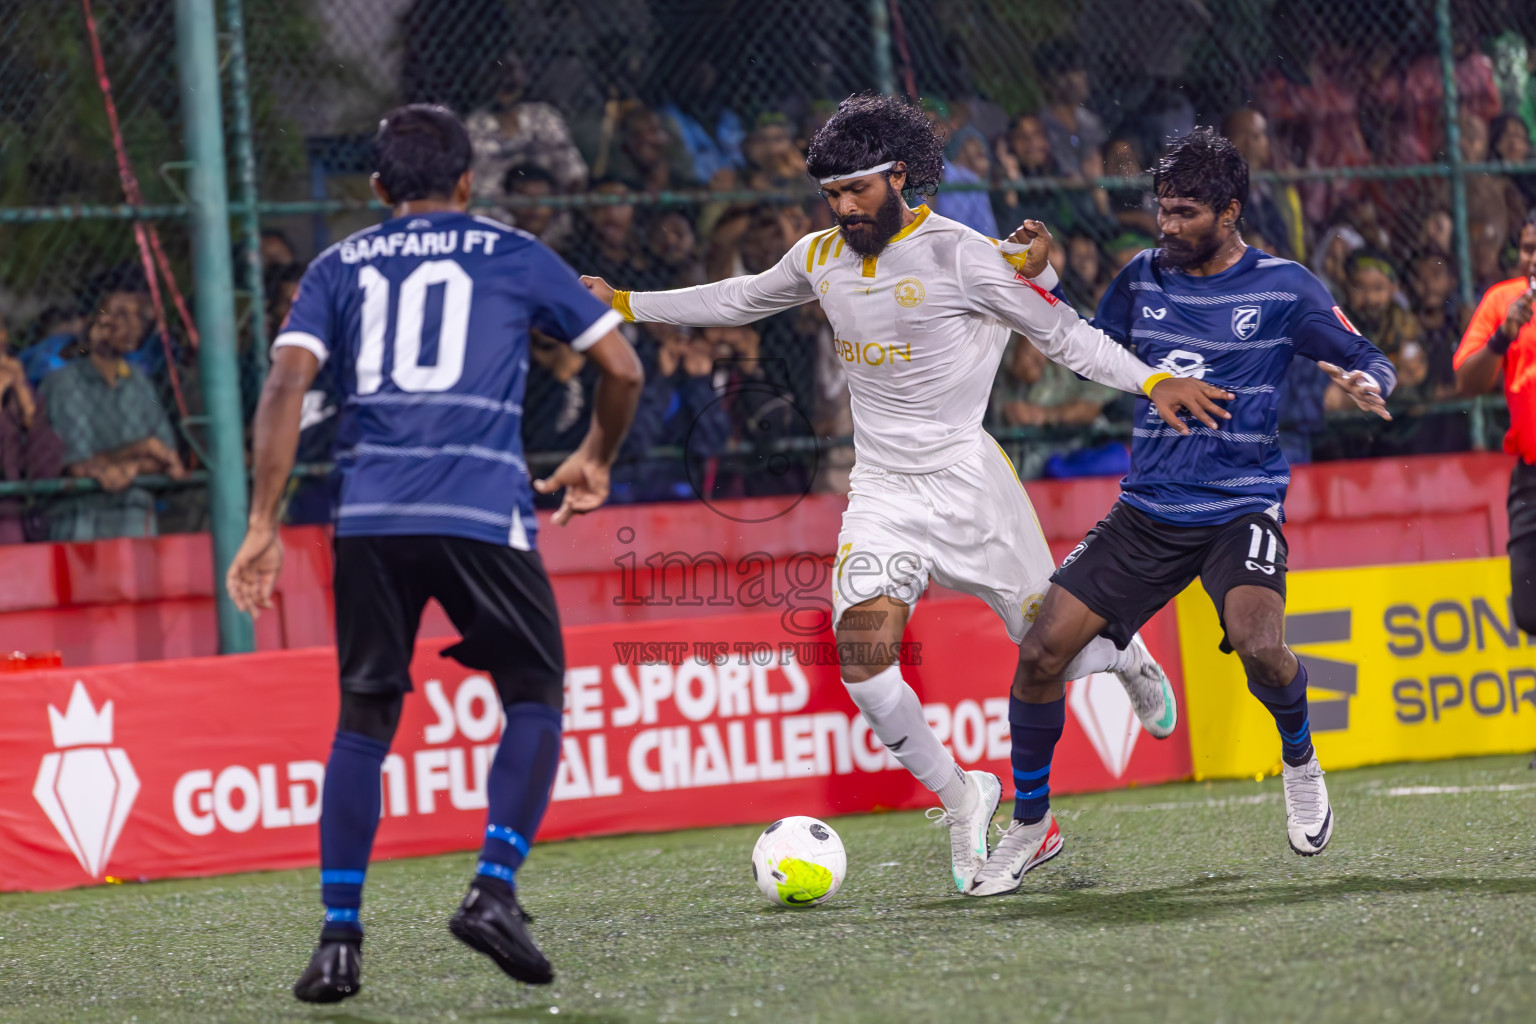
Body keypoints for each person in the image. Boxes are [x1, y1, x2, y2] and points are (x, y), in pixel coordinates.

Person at [580, 93, 1228, 894]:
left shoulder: (963, 254)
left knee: (1053, 653)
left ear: (897, 176)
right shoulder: (819, 257)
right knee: (861, 657)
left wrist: (1153, 379)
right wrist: (625, 304)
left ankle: (1123, 654)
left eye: (855, 191)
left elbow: (1064, 333)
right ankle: (964, 797)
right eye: (830, 196)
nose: (842, 208)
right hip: (882, 489)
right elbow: (739, 295)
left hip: (969, 484)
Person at [224, 105, 642, 1001]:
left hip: (369, 514)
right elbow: (625, 369)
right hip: (477, 506)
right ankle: (494, 887)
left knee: (364, 719)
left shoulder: (337, 265)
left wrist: (263, 521)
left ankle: (338, 938)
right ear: (466, 183)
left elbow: (285, 384)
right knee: (533, 692)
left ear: (376, 190)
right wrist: (596, 460)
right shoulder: (513, 251)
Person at [969, 128, 1396, 897]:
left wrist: (1370, 382)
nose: (1167, 227)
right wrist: (1047, 276)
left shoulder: (1284, 287)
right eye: (1162, 210)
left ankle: (1298, 759)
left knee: (1261, 646)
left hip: (1240, 507)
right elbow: (1090, 348)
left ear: (1230, 211)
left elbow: (1363, 352)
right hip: (1148, 513)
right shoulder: (1140, 277)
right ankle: (1031, 826)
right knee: (1039, 656)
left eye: (1186, 213)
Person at [1454, 213, 1536, 646]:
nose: (1534, 260)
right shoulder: (1504, 301)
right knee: (1528, 610)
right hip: (1530, 473)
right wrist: (1504, 336)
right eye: (1527, 249)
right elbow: (1468, 382)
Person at [38, 305, 185, 541]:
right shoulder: (65, 382)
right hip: (83, 514)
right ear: (96, 327)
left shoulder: (138, 380)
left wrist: (134, 467)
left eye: (137, 316)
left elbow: (168, 456)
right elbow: (79, 463)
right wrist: (141, 449)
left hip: (136, 513)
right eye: (119, 316)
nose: (132, 325)